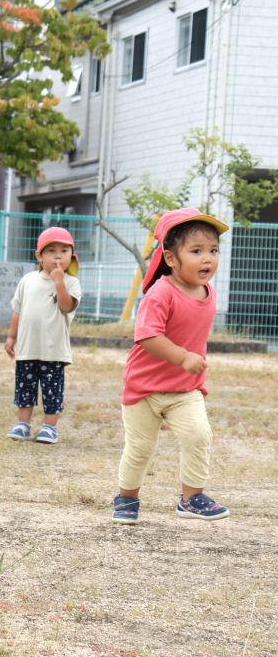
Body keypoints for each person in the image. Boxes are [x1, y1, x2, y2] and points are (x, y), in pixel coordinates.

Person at [113, 208, 231, 524]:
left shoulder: (210, 292)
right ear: (170, 258)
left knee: (198, 435)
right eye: (196, 251)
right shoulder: (161, 293)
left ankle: (192, 498)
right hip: (144, 388)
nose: (207, 259)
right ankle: (126, 497)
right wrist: (182, 357)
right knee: (139, 448)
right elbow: (147, 336)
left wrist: (188, 362)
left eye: (213, 250)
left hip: (184, 388)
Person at [4, 227, 82, 444]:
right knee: (25, 387)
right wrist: (11, 337)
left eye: (64, 251)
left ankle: (50, 426)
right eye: (51, 251)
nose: (58, 256)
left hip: (54, 350)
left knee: (52, 389)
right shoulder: (28, 280)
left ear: (72, 256)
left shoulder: (72, 283)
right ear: (39, 256)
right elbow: (18, 310)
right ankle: (23, 424)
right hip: (28, 347)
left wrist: (59, 282)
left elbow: (66, 307)